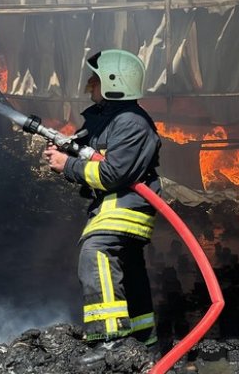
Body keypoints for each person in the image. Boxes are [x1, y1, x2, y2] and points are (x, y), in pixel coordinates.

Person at [44, 49, 161, 364]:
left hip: (124, 206)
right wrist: (68, 152)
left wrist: (66, 165)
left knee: (95, 253)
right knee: (128, 269)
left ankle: (111, 340)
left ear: (113, 81)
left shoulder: (132, 123)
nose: (89, 84)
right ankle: (144, 345)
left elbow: (113, 173)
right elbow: (93, 157)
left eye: (95, 79)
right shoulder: (109, 119)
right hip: (111, 204)